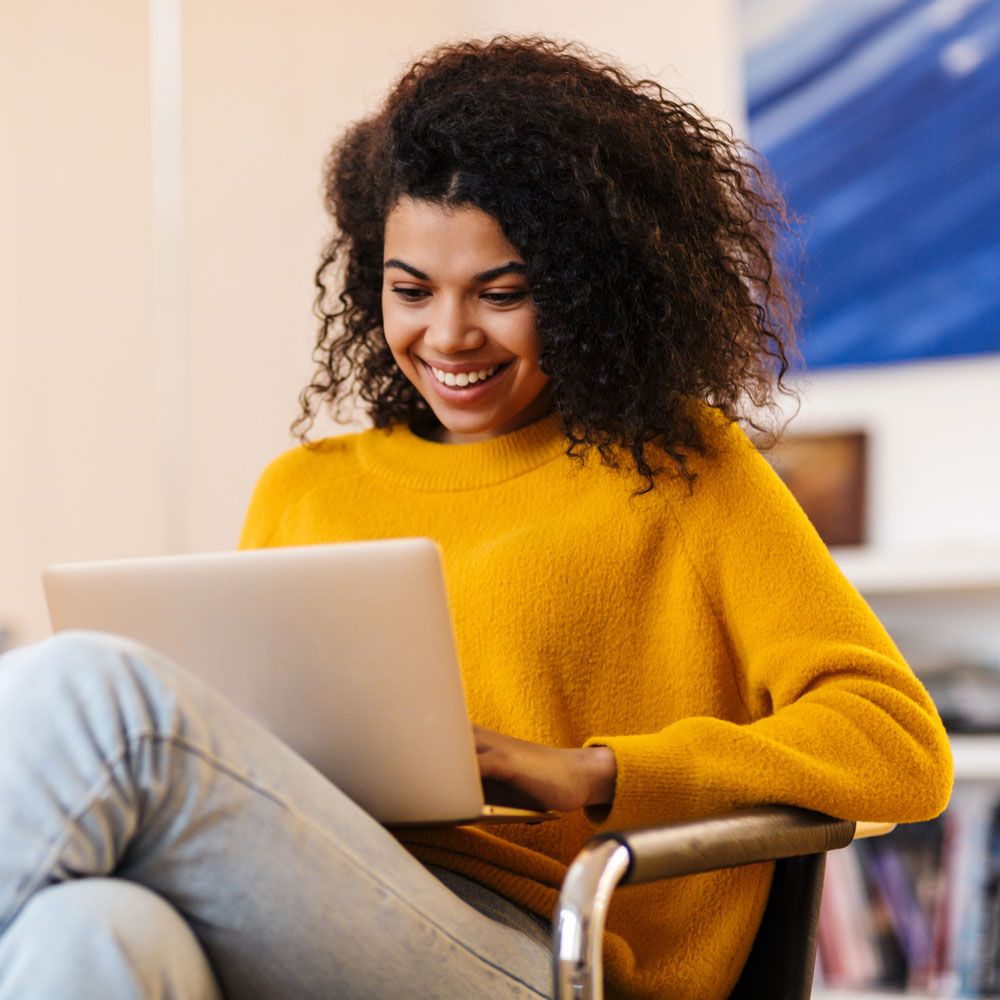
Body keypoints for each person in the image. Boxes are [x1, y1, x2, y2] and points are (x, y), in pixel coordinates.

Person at [0, 35, 952, 1000]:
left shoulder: (681, 470)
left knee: (94, 694)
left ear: (588, 292)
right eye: (410, 291)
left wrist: (593, 773)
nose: (448, 335)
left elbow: (898, 745)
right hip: (322, 892)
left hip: (544, 945)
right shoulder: (304, 487)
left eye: (503, 294)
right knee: (89, 929)